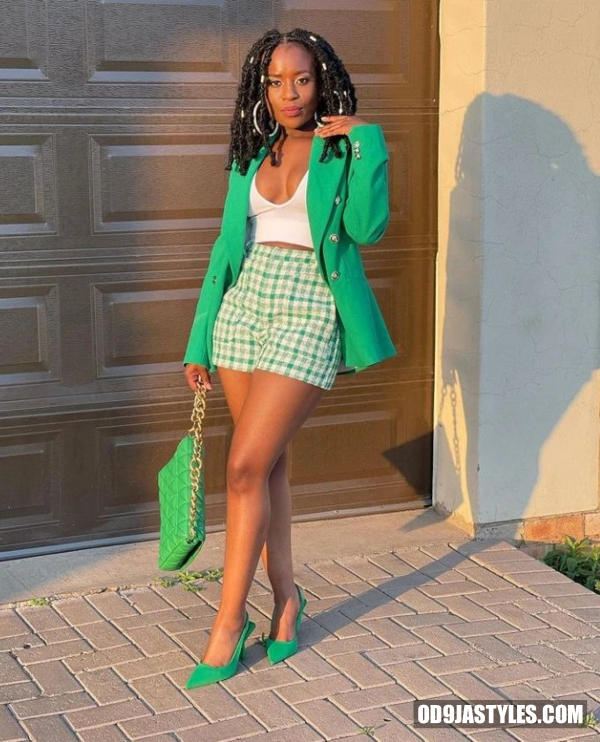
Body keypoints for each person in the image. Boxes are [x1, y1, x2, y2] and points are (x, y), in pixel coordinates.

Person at [181, 27, 396, 688]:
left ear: (321, 81)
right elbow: (224, 251)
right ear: (262, 88)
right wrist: (198, 340)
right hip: (244, 307)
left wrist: (369, 141)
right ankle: (286, 600)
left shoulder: (341, 149)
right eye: (275, 81)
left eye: (301, 79)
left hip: (308, 305)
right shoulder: (252, 153)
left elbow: (367, 229)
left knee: (244, 465)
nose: (289, 93)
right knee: (267, 467)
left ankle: (228, 623)